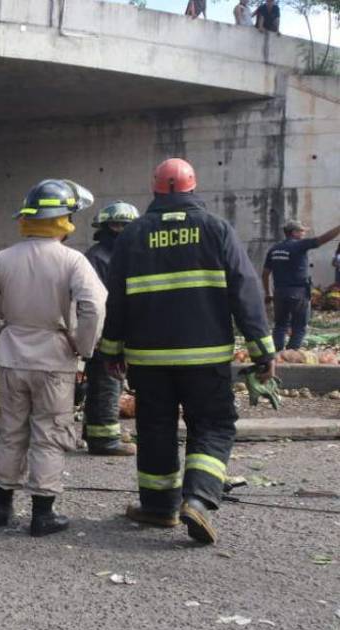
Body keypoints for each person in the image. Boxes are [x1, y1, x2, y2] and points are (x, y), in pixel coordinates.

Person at [100, 158, 274, 545]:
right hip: (206, 358)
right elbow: (245, 290)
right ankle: (198, 499)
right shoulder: (216, 229)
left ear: (155, 189)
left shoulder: (132, 235)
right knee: (213, 425)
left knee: (155, 429)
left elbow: (117, 300)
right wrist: (263, 350)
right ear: (193, 187)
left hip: (149, 360)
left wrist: (111, 350)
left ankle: (159, 508)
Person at [0, 178, 106, 538]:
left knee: (10, 431)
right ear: (63, 220)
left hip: (12, 359)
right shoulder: (73, 260)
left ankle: (1, 508)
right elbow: (93, 306)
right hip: (55, 361)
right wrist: (84, 347)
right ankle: (43, 515)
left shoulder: (4, 258)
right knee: (49, 434)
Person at [82, 202, 140, 456]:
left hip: (112, 330)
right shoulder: (99, 257)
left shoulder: (113, 255)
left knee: (103, 383)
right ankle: (105, 441)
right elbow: (97, 301)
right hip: (105, 332)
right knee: (108, 383)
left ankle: (95, 432)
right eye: (123, 226)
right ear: (113, 226)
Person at [262, 219, 340, 351]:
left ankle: (276, 355)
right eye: (302, 231)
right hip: (298, 294)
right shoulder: (299, 245)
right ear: (294, 232)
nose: (304, 233)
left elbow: (265, 274)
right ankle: (291, 355)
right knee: (299, 327)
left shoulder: (274, 249)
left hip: (279, 294)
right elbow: (323, 239)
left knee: (280, 326)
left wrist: (268, 293)